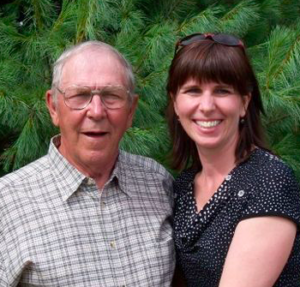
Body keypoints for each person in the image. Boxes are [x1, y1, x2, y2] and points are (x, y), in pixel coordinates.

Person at [0, 41, 175, 286]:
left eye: (111, 96)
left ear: (131, 110)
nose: (96, 111)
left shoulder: (157, 182)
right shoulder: (7, 202)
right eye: (80, 95)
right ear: (53, 107)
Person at [166, 33, 300, 287]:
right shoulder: (182, 187)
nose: (206, 106)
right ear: (175, 103)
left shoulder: (268, 181)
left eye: (222, 91)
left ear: (244, 102)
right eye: (193, 91)